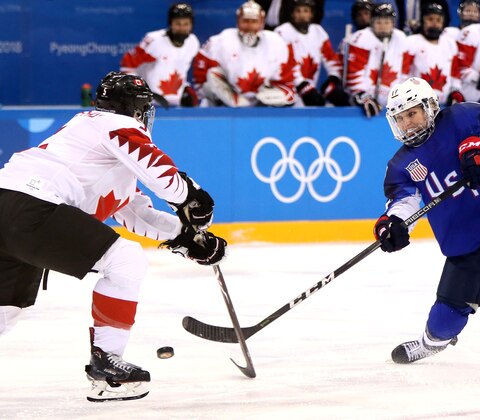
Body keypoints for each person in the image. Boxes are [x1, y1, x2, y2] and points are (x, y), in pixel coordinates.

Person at [0, 72, 227, 402]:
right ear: (135, 111)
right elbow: (160, 173)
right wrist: (191, 194)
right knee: (125, 260)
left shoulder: (96, 144)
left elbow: (133, 211)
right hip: (34, 208)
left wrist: (186, 237)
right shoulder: (113, 125)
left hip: (10, 204)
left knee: (6, 308)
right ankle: (108, 369)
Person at [374, 77, 480, 379]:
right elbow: (405, 201)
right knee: (444, 321)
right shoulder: (401, 165)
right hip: (465, 240)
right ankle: (430, 343)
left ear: (430, 107)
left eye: (412, 113)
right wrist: (395, 223)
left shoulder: (465, 117)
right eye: (400, 118)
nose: (407, 124)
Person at [193, 0, 296, 107]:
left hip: (261, 104)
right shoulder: (220, 41)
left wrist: (274, 96)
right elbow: (201, 78)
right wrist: (219, 98)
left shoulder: (277, 43)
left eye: (254, 22)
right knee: (212, 75)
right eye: (246, 21)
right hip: (226, 104)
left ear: (261, 23)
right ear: (238, 22)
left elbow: (287, 83)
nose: (249, 27)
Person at [120, 3, 200, 107]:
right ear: (170, 23)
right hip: (149, 104)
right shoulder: (154, 41)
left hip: (176, 104)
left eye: (186, 24)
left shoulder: (193, 42)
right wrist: (136, 91)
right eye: (178, 23)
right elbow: (128, 63)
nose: (182, 28)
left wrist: (186, 87)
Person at [275, 0, 349, 106]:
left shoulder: (318, 31)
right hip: (286, 91)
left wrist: (334, 78)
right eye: (298, 11)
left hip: (309, 90)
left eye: (306, 11)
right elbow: (286, 64)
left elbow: (331, 59)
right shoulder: (282, 32)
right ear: (292, 14)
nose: (302, 15)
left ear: (311, 14)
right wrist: (302, 85)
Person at [345, 3, 412, 118]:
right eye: (379, 22)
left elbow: (404, 74)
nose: (383, 26)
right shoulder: (361, 38)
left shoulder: (402, 39)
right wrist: (362, 96)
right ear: (372, 23)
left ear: (393, 24)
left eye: (387, 22)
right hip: (364, 103)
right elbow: (354, 74)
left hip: (392, 105)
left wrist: (401, 99)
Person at [407, 2, 464, 106]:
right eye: (430, 19)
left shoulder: (450, 43)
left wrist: (456, 91)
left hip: (444, 106)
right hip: (417, 106)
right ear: (422, 20)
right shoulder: (411, 42)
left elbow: (455, 74)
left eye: (438, 20)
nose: (434, 23)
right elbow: (403, 74)